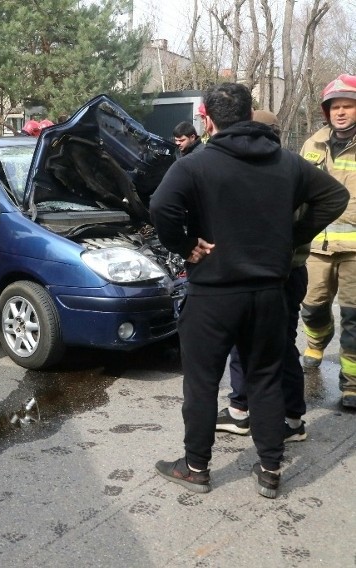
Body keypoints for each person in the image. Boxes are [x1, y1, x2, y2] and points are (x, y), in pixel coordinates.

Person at [150, 83, 348, 499]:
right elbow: (334, 195)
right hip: (268, 292)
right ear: (250, 113)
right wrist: (292, 236)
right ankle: (271, 468)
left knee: (202, 383)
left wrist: (186, 245)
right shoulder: (288, 162)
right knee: (266, 378)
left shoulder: (194, 165)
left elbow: (160, 207)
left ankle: (196, 467)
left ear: (207, 118)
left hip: (213, 293)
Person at [216, 109, 310, 442]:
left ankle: (292, 419)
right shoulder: (275, 167)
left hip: (279, 276)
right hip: (265, 274)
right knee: (247, 344)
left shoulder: (286, 170)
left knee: (279, 346)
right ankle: (241, 411)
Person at [299, 74, 356, 410]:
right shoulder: (312, 145)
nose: (341, 112)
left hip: (355, 250)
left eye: (347, 105)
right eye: (335, 106)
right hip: (317, 246)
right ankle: (317, 342)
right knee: (313, 307)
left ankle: (351, 386)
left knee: (354, 317)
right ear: (326, 111)